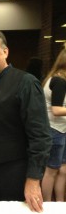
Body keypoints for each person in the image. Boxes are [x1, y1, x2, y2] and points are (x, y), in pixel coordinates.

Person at [0, 29, 51, 212]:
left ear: (5, 51)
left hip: (13, 173)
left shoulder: (26, 83)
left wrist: (33, 179)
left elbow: (40, 136)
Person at [41, 46, 66, 202]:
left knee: (63, 170)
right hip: (54, 131)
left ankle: (60, 204)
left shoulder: (59, 78)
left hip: (61, 130)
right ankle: (48, 206)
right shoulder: (59, 80)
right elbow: (56, 110)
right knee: (51, 171)